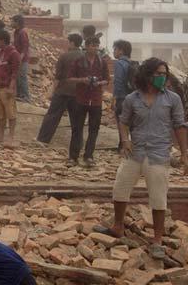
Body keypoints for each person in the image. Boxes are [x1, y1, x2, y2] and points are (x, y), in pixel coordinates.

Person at [94, 58, 188, 261]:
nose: (162, 78)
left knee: (158, 197)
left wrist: (184, 153)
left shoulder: (172, 99)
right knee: (120, 188)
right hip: (134, 152)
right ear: (147, 75)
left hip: (159, 153)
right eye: (158, 74)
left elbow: (180, 126)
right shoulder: (132, 99)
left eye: (164, 74)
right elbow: (123, 121)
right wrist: (124, 140)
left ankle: (157, 240)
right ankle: (118, 226)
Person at [67, 36, 109, 167]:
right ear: (86, 46)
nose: (94, 48)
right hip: (81, 99)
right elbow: (69, 78)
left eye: (96, 45)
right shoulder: (78, 61)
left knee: (94, 129)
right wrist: (82, 80)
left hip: (96, 100)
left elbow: (107, 79)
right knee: (77, 129)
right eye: (91, 45)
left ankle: (89, 156)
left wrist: (99, 82)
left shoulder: (102, 62)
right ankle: (73, 157)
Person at [36, 33, 83, 144]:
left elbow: (58, 77)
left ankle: (43, 139)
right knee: (76, 120)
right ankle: (78, 143)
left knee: (52, 116)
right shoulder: (84, 57)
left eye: (68, 42)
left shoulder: (64, 56)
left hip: (62, 91)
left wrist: (52, 91)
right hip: (78, 93)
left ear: (72, 43)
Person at [0, 29, 21, 146]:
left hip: (7, 87)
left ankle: (11, 137)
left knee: (11, 114)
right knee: (1, 114)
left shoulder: (14, 54)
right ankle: (0, 136)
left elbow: (15, 73)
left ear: (2, 40)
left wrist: (11, 88)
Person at [112, 39, 135, 152]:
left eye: (115, 49)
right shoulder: (132, 63)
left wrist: (115, 99)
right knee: (133, 122)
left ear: (121, 51)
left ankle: (122, 145)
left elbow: (119, 82)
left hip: (123, 98)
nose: (114, 52)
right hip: (134, 97)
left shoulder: (119, 63)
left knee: (122, 122)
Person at [12, 14, 30, 102]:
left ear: (17, 22)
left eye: (12, 21)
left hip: (23, 60)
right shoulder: (16, 32)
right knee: (18, 77)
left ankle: (26, 96)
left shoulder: (22, 32)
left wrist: (20, 58)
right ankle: (20, 95)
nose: (11, 23)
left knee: (22, 77)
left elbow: (25, 46)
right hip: (18, 58)